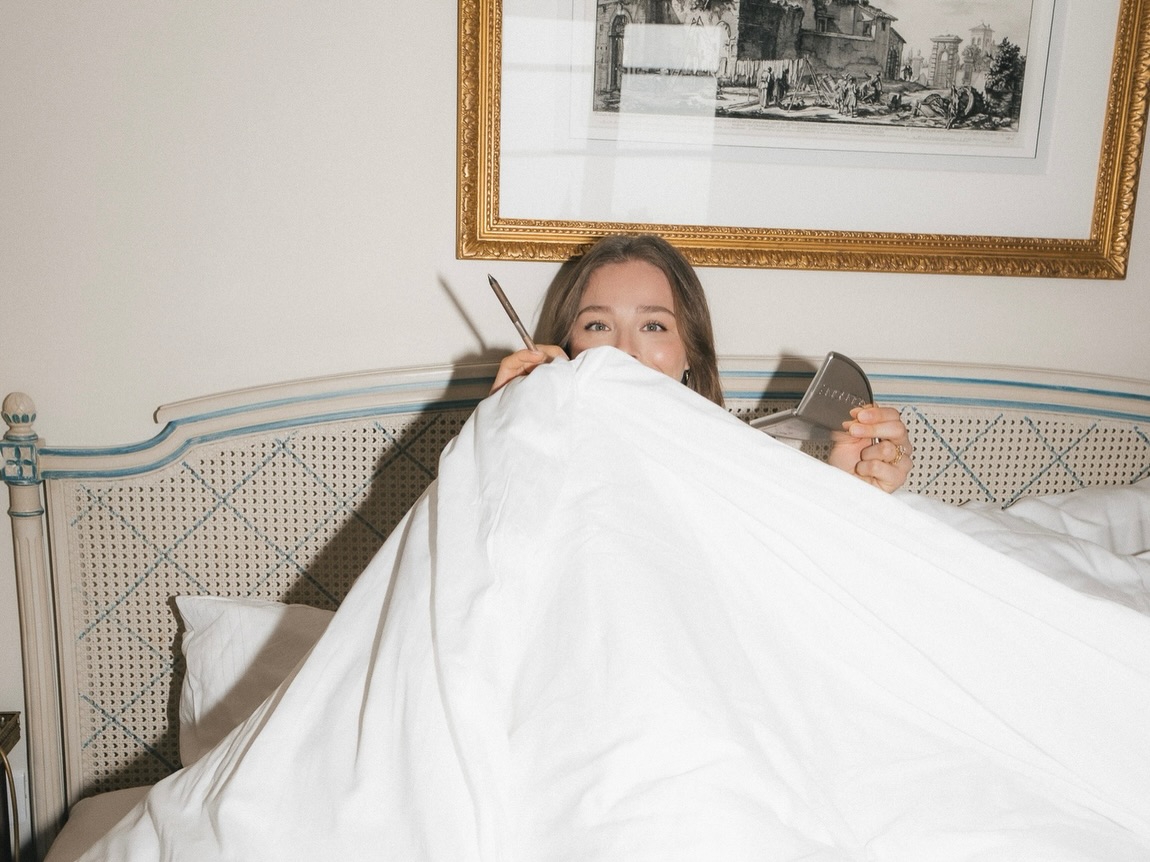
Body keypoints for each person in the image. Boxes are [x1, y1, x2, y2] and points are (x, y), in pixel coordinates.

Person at [490, 233, 913, 493]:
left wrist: (853, 491)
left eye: (653, 326)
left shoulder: (744, 473)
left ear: (691, 352)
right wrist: (502, 429)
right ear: (565, 346)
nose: (624, 351)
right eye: (598, 325)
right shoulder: (533, 453)